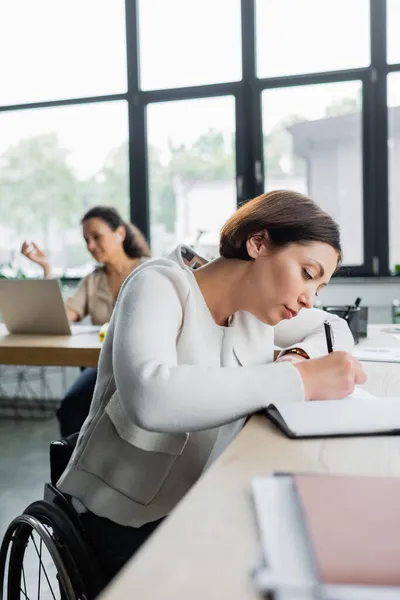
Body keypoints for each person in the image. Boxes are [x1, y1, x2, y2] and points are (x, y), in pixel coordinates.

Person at [58, 190, 366, 586]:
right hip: (123, 517)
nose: (309, 300)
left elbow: (335, 329)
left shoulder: (257, 311)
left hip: (202, 501)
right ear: (258, 242)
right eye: (308, 274)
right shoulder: (157, 285)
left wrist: (295, 358)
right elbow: (151, 399)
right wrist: (298, 381)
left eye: (319, 288)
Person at [21, 206, 151, 436]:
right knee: (70, 411)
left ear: (119, 233)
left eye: (96, 237)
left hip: (142, 367)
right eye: (86, 240)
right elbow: (61, 317)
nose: (90, 246)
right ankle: (75, 468)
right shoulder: (93, 280)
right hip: (102, 366)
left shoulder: (150, 271)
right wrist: (46, 269)